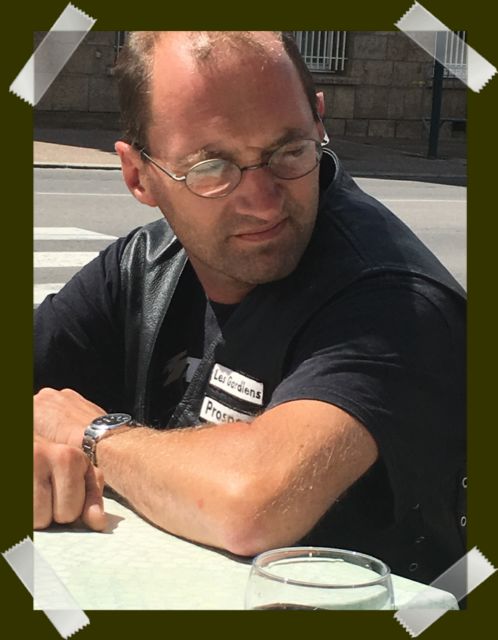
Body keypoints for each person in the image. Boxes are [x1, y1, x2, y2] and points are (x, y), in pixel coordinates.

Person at [34, 31, 466, 584]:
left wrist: (94, 436)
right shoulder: (144, 265)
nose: (263, 202)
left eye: (289, 152)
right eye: (211, 167)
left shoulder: (394, 298)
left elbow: (254, 503)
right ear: (139, 175)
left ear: (319, 122)